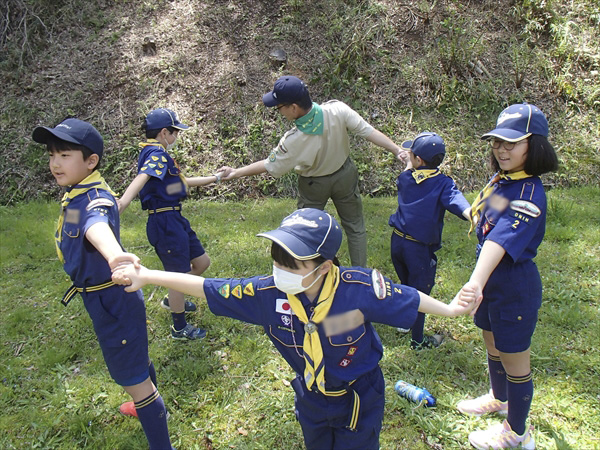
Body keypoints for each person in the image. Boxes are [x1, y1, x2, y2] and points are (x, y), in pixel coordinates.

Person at [112, 208, 480, 450]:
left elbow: (409, 298)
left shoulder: (359, 290)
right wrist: (147, 276)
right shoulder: (267, 294)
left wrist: (449, 310)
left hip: (359, 396)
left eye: (294, 263)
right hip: (311, 394)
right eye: (278, 258)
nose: (281, 269)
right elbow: (210, 289)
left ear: (325, 266)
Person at [32, 118, 173, 449]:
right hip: (102, 299)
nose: (55, 163)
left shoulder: (94, 199)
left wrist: (115, 257)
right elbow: (81, 226)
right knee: (134, 355)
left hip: (112, 300)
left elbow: (97, 226)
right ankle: (145, 405)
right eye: (52, 154)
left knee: (133, 377)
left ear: (90, 161)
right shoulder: (77, 194)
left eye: (65, 155)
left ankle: (155, 427)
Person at [456, 103, 559, 449]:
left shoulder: (529, 194)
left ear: (536, 146)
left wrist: (474, 282)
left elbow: (499, 242)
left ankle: (518, 433)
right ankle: (499, 400)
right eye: (497, 141)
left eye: (511, 143)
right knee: (492, 342)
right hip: (492, 283)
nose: (501, 149)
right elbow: (489, 219)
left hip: (513, 285)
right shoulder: (503, 182)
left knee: (515, 359)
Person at [219, 75, 404, 267]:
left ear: (293, 107)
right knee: (355, 227)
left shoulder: (293, 140)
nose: (278, 112)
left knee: (305, 230)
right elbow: (368, 131)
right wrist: (397, 149)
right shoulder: (337, 110)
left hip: (314, 185)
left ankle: (315, 271)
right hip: (345, 176)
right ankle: (360, 276)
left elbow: (269, 165)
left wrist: (236, 172)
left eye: (279, 107)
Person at [119, 108, 221, 341]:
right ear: (164, 132)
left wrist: (215, 178)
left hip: (175, 218)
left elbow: (182, 185)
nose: (176, 138)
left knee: (202, 262)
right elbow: (142, 178)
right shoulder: (156, 154)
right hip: (164, 222)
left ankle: (173, 297)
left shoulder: (158, 155)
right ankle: (179, 327)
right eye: (175, 132)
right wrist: (123, 202)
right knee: (178, 274)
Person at [389, 132, 471, 349]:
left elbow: (407, 175)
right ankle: (417, 341)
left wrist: (408, 163)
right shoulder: (443, 183)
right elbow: (456, 200)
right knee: (420, 294)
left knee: (406, 284)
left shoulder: (406, 178)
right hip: (418, 250)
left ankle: (403, 321)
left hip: (397, 243)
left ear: (418, 160)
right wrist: (472, 213)